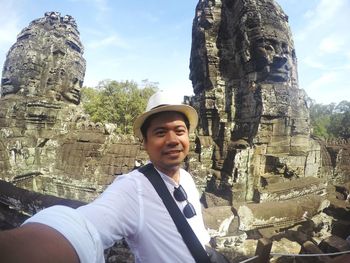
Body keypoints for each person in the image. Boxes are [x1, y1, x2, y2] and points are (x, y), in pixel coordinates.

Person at [0, 90, 214, 263]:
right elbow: (84, 225)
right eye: (160, 132)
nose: (172, 140)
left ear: (188, 136)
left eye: (179, 131)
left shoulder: (186, 177)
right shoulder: (133, 189)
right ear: (145, 144)